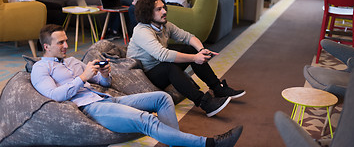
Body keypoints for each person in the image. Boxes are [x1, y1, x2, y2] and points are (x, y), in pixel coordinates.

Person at [30, 24, 243, 147]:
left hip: (104, 98)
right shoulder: (41, 69)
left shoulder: (71, 62)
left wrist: (104, 74)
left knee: (162, 97)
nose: (66, 46)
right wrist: (83, 78)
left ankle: (175, 142)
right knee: (146, 120)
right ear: (46, 47)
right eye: (61, 43)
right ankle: (209, 144)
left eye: (66, 41)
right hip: (90, 109)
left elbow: (103, 83)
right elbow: (54, 95)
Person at [127, 0, 246, 117]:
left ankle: (217, 88)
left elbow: (188, 37)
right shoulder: (142, 31)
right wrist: (195, 58)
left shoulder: (165, 25)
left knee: (190, 49)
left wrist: (200, 50)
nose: (164, 11)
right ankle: (205, 103)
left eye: (164, 7)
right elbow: (163, 55)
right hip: (143, 76)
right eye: (159, 9)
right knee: (170, 67)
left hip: (158, 66)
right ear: (148, 13)